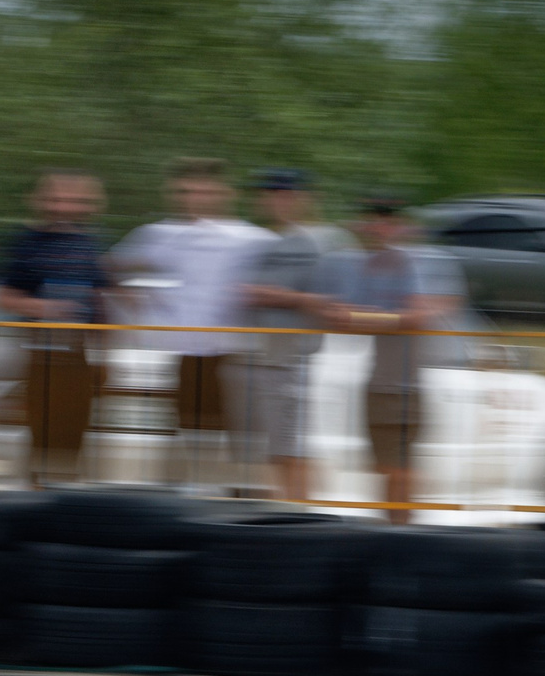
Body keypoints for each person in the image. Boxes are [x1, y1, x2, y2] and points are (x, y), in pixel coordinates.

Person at [112, 159, 274, 494]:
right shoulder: (158, 234)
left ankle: (246, 498)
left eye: (205, 191)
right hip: (186, 349)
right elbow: (113, 269)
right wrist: (139, 303)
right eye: (187, 191)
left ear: (224, 193)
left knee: (242, 429)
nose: (196, 198)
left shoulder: (253, 239)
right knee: (190, 426)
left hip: (237, 350)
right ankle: (186, 495)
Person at [313, 195, 464, 525]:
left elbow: (417, 316)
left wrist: (365, 318)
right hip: (378, 383)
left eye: (386, 221)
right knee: (383, 470)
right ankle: (393, 531)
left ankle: (403, 534)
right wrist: (368, 317)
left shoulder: (417, 263)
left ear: (401, 226)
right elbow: (339, 318)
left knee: (401, 471)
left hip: (408, 385)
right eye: (372, 221)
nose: (378, 228)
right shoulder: (368, 268)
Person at [237, 169, 352, 503]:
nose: (277, 201)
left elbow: (333, 301)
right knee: (279, 447)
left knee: (293, 446)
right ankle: (290, 510)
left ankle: (302, 516)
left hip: (301, 358)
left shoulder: (325, 239)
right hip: (268, 357)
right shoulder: (270, 241)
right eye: (271, 194)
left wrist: (283, 296)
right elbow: (249, 292)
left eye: (286, 194)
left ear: (306, 197)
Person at [0, 171, 109, 485]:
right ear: (41, 201)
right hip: (36, 351)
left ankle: (68, 496)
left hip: (80, 353)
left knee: (75, 432)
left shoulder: (90, 243)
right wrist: (44, 308)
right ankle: (38, 495)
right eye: (57, 199)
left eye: (74, 200)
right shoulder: (23, 241)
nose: (65, 207)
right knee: (41, 431)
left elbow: (100, 297)